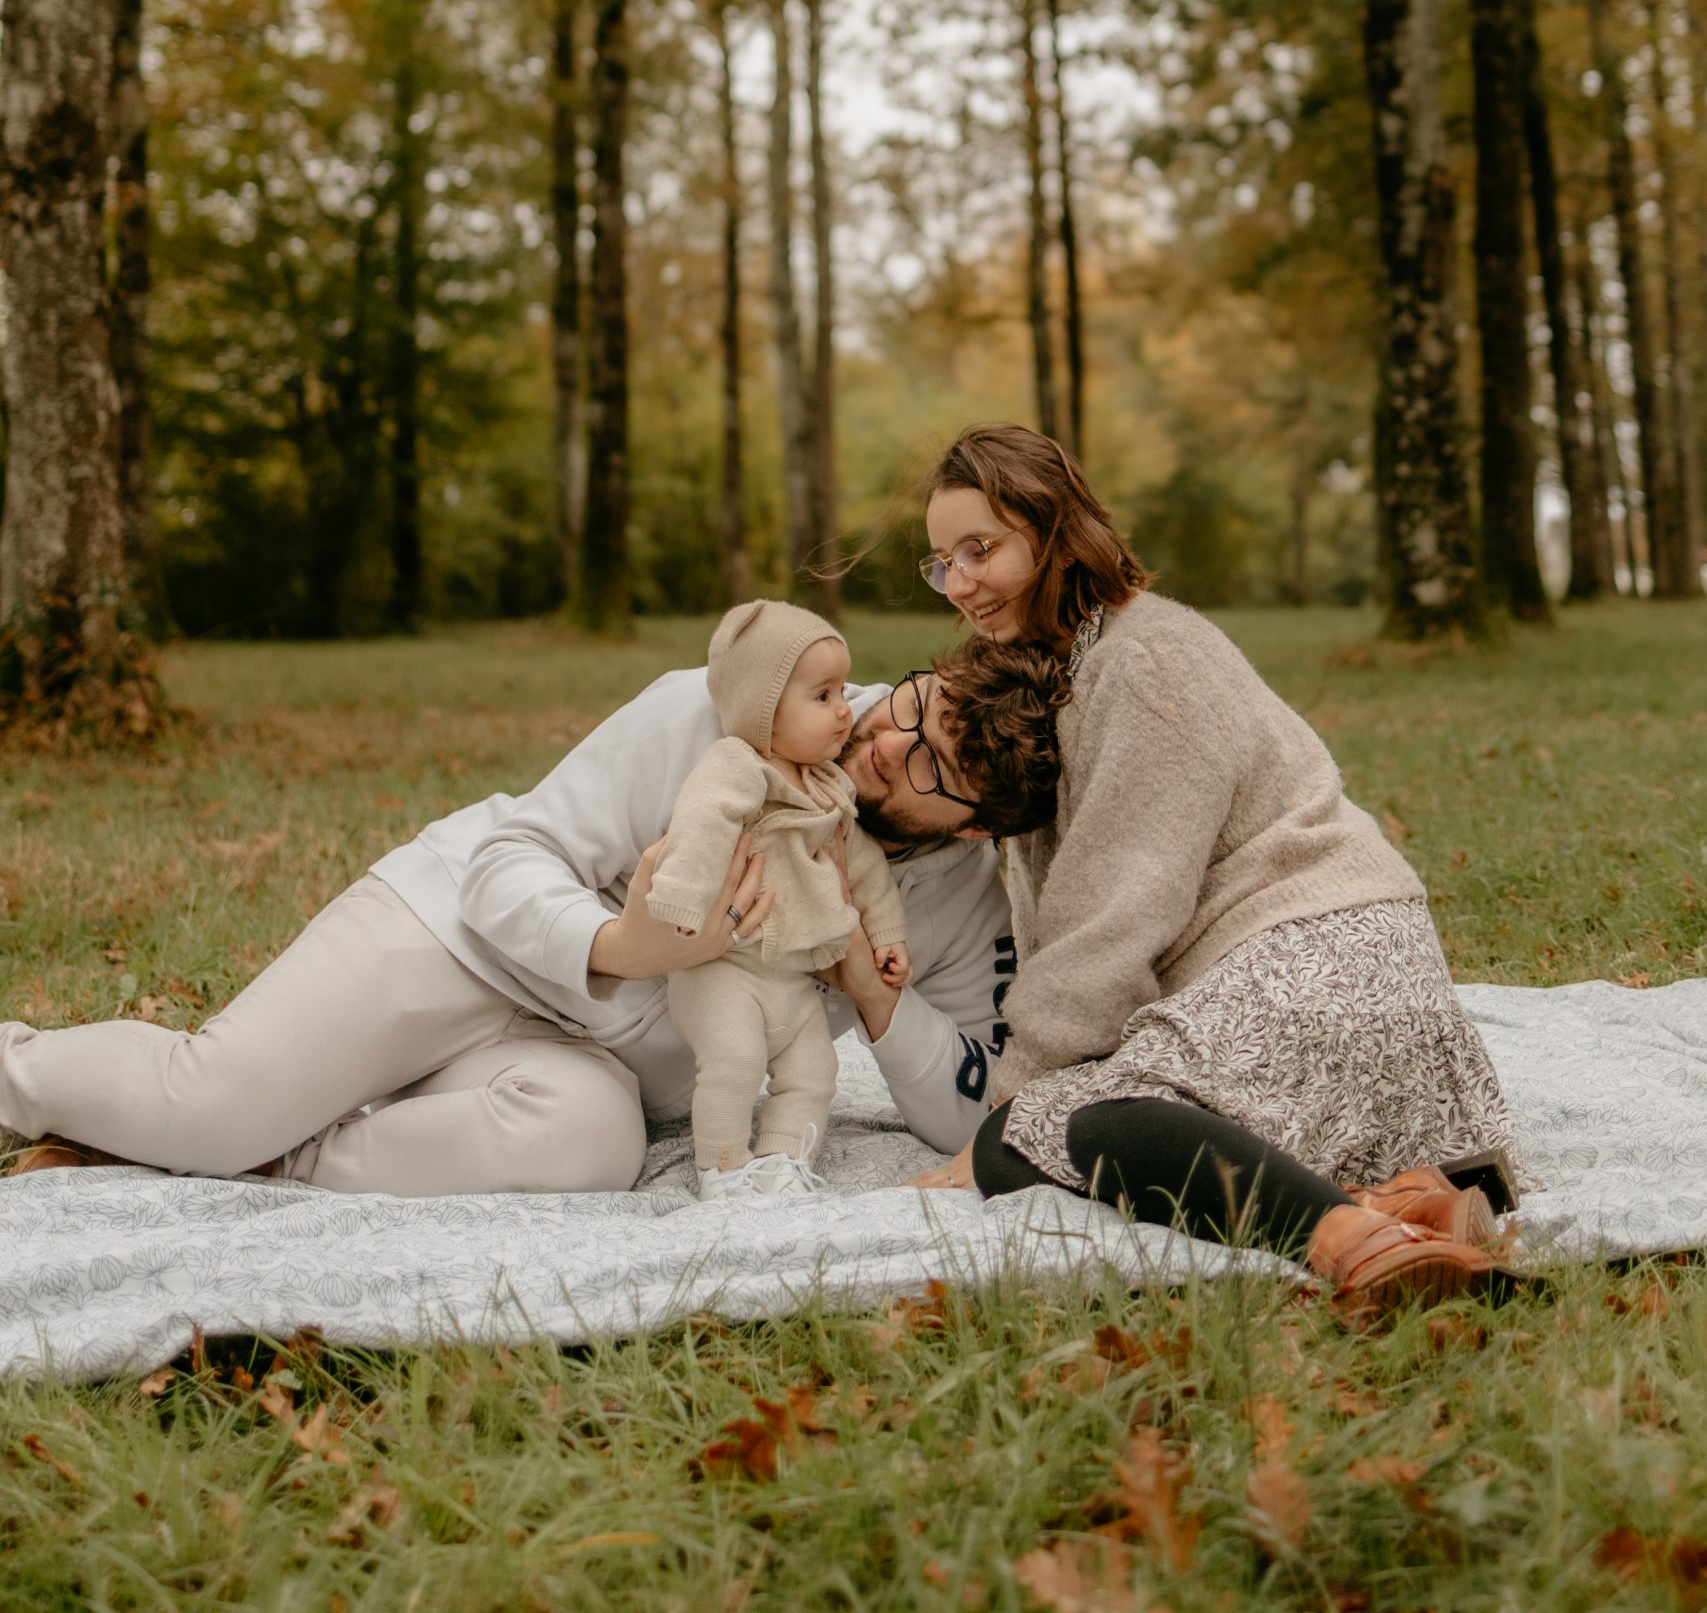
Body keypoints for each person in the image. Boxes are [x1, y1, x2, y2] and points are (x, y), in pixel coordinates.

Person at [0, 633, 1062, 1196]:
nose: (885, 740)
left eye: (930, 765)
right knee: (208, 1104)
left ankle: (281, 1153)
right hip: (455, 941)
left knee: (591, 1148)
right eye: (913, 703)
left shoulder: (964, 899)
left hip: (586, 1064)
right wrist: (627, 943)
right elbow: (512, 859)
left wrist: (873, 995)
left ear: (975, 828)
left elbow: (973, 1109)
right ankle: (38, 1079)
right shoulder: (730, 706)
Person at [908, 423, 1521, 1310]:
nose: (960, 583)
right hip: (1319, 966)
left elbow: (1115, 914)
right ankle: (1412, 1198)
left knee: (1054, 1133)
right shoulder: (1073, 663)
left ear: (1053, 532)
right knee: (1051, 1127)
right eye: (941, 564)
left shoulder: (1141, 661)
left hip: (1320, 955)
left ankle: (1351, 1241)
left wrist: (1011, 1103)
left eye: (979, 550)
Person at [654, 600, 911, 1200]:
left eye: (842, 690)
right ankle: (722, 1168)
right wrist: (683, 897)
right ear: (764, 710)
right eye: (822, 696)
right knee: (735, 1061)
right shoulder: (739, 767)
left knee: (816, 1072)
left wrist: (886, 935)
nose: (845, 709)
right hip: (724, 970)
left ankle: (782, 1162)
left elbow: (864, 867)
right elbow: (703, 821)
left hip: (793, 980)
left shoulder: (827, 784)